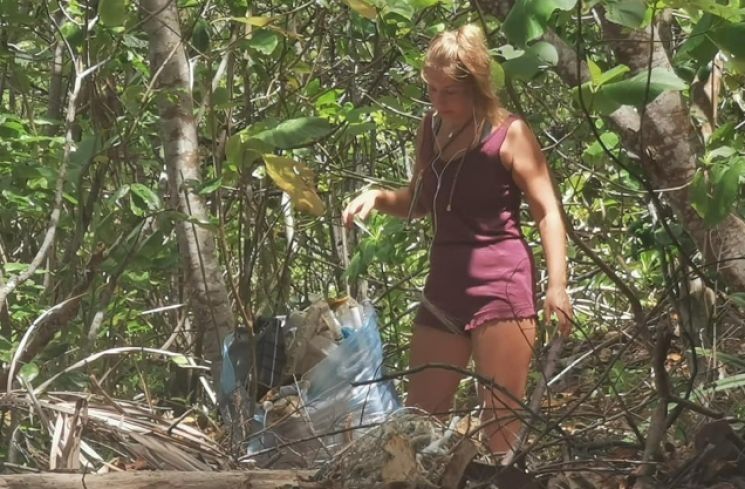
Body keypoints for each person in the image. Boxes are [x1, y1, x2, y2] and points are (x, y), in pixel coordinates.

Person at [341, 24, 573, 455]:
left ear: (477, 87)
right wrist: (376, 197)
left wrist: (556, 285)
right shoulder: (432, 128)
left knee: (501, 432)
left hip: (501, 285)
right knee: (416, 428)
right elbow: (423, 200)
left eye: (448, 92)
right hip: (445, 288)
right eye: (431, 89)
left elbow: (547, 210)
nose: (437, 101)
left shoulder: (511, 133)